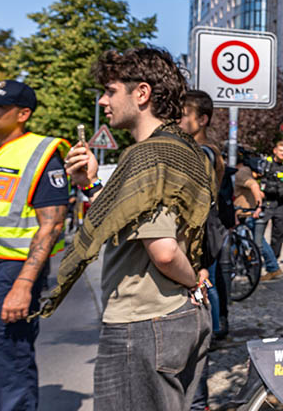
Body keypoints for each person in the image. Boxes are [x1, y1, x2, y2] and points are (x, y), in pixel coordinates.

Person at [45, 47, 215, 410]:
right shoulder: (187, 149)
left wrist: (192, 282)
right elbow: (135, 217)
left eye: (110, 91)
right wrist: (91, 184)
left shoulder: (146, 155)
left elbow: (164, 251)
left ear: (142, 93)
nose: (103, 101)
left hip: (143, 320)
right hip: (180, 318)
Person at [0, 79, 69, 411]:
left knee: (9, 372)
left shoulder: (41, 154)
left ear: (23, 114)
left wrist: (23, 286)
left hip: (4, 275)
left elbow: (52, 225)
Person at [180, 90, 230, 411]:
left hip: (200, 244)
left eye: (184, 114)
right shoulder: (204, 150)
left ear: (202, 119)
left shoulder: (203, 153)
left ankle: (198, 402)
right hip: (204, 239)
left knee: (200, 302)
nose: (177, 120)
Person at [234, 147, 280, 277]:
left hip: (246, 213)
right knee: (257, 242)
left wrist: (259, 206)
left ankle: (272, 268)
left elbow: (253, 185)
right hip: (245, 212)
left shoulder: (241, 172)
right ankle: (272, 267)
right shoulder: (245, 171)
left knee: (257, 243)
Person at [255, 139, 283, 275]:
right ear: (275, 151)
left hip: (282, 203)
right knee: (259, 232)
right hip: (267, 202)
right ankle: (258, 259)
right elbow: (254, 175)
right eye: (281, 151)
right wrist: (258, 191)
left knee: (278, 233)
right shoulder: (266, 163)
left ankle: (274, 261)